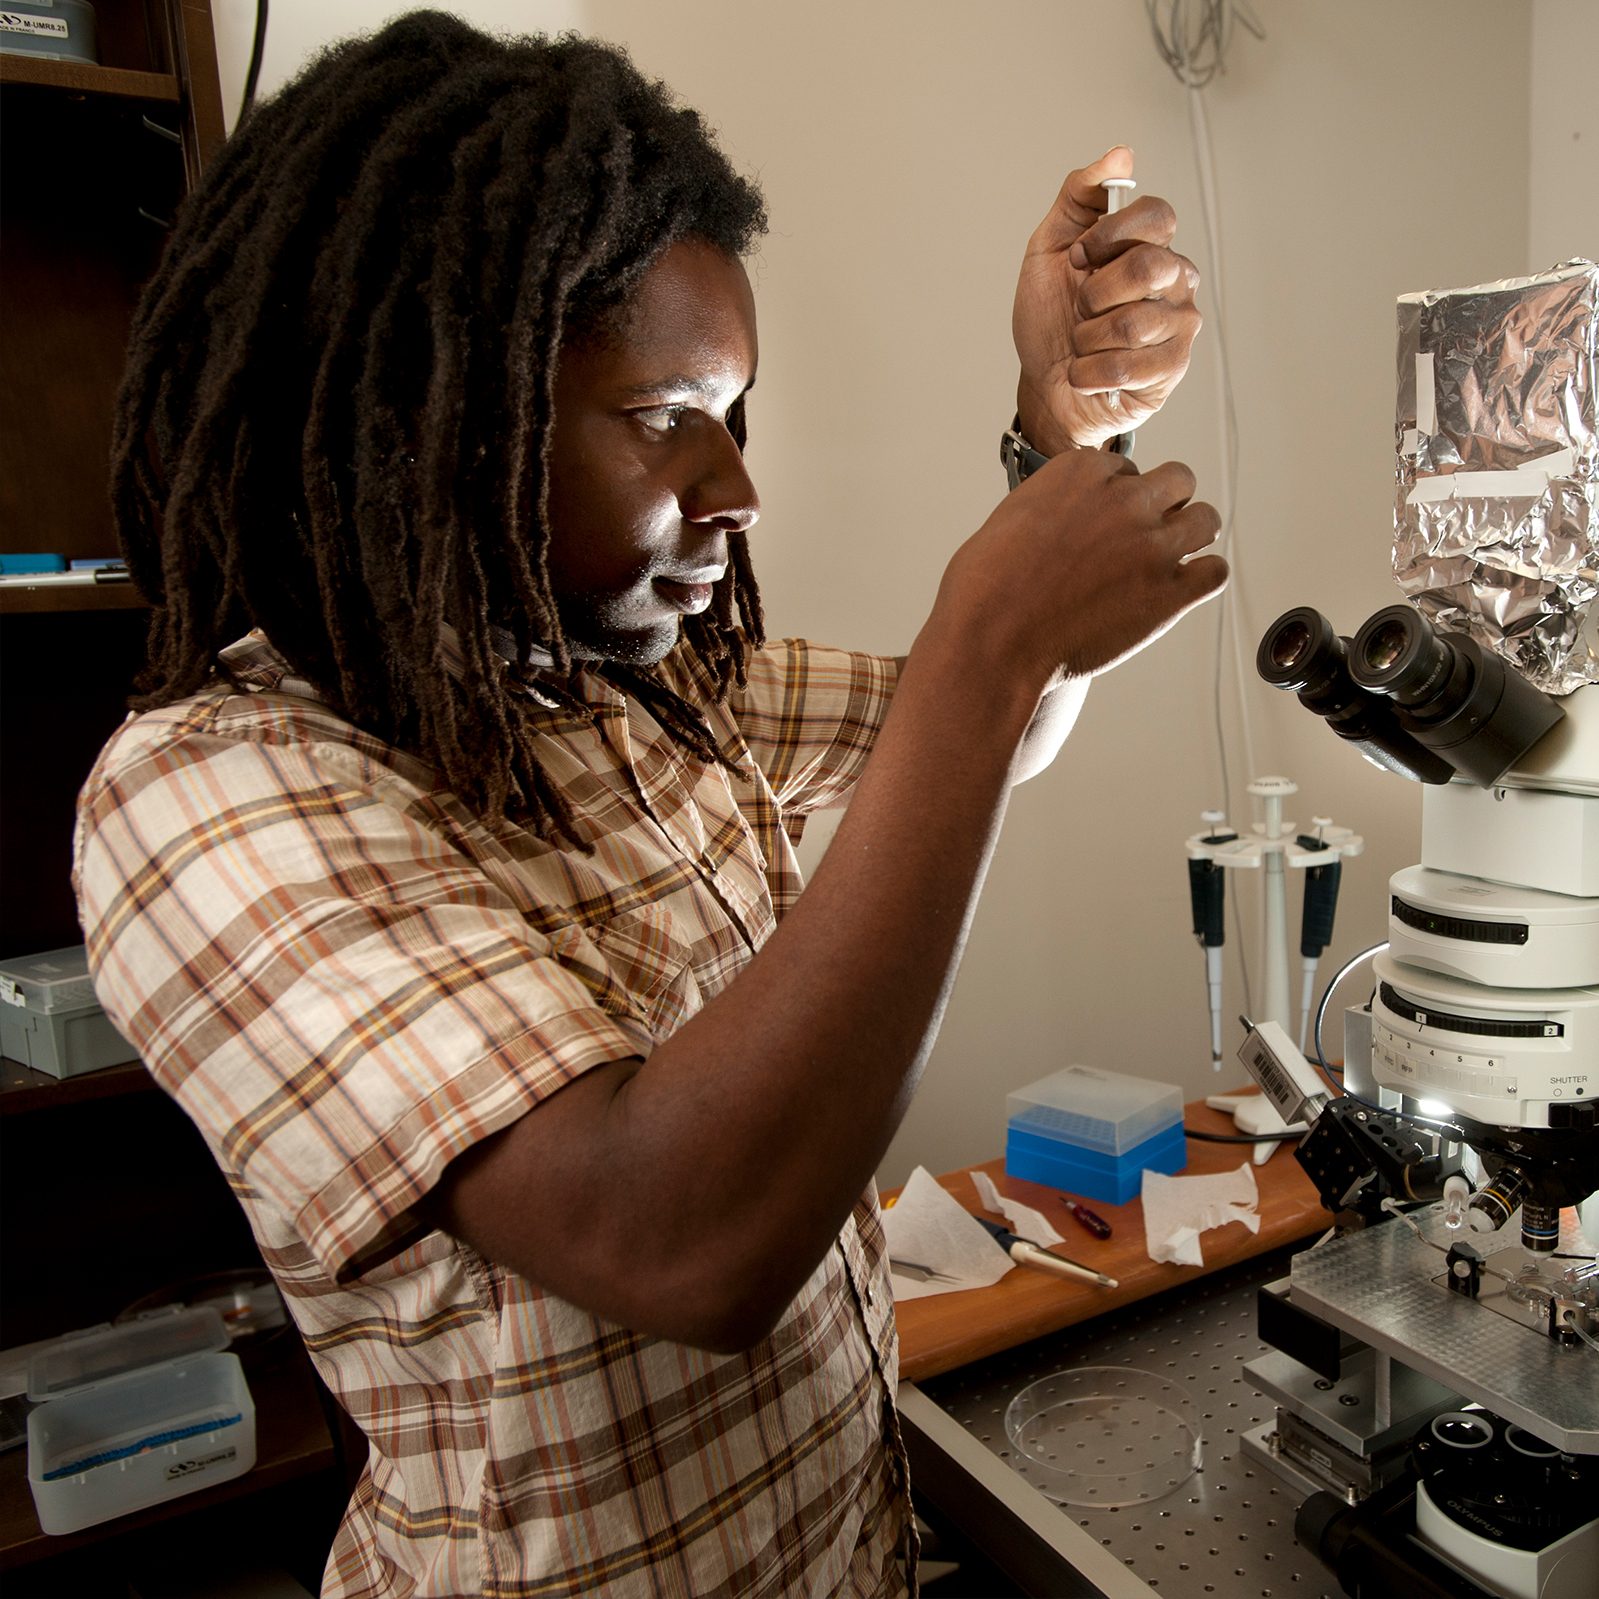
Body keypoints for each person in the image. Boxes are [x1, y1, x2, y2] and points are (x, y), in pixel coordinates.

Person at [75, 12, 1221, 1597]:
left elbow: (974, 746)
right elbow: (680, 1239)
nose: (736, 494)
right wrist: (992, 631)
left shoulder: (623, 678)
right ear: (435, 408)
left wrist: (1055, 442)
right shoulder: (214, 797)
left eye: (734, 419)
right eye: (664, 417)